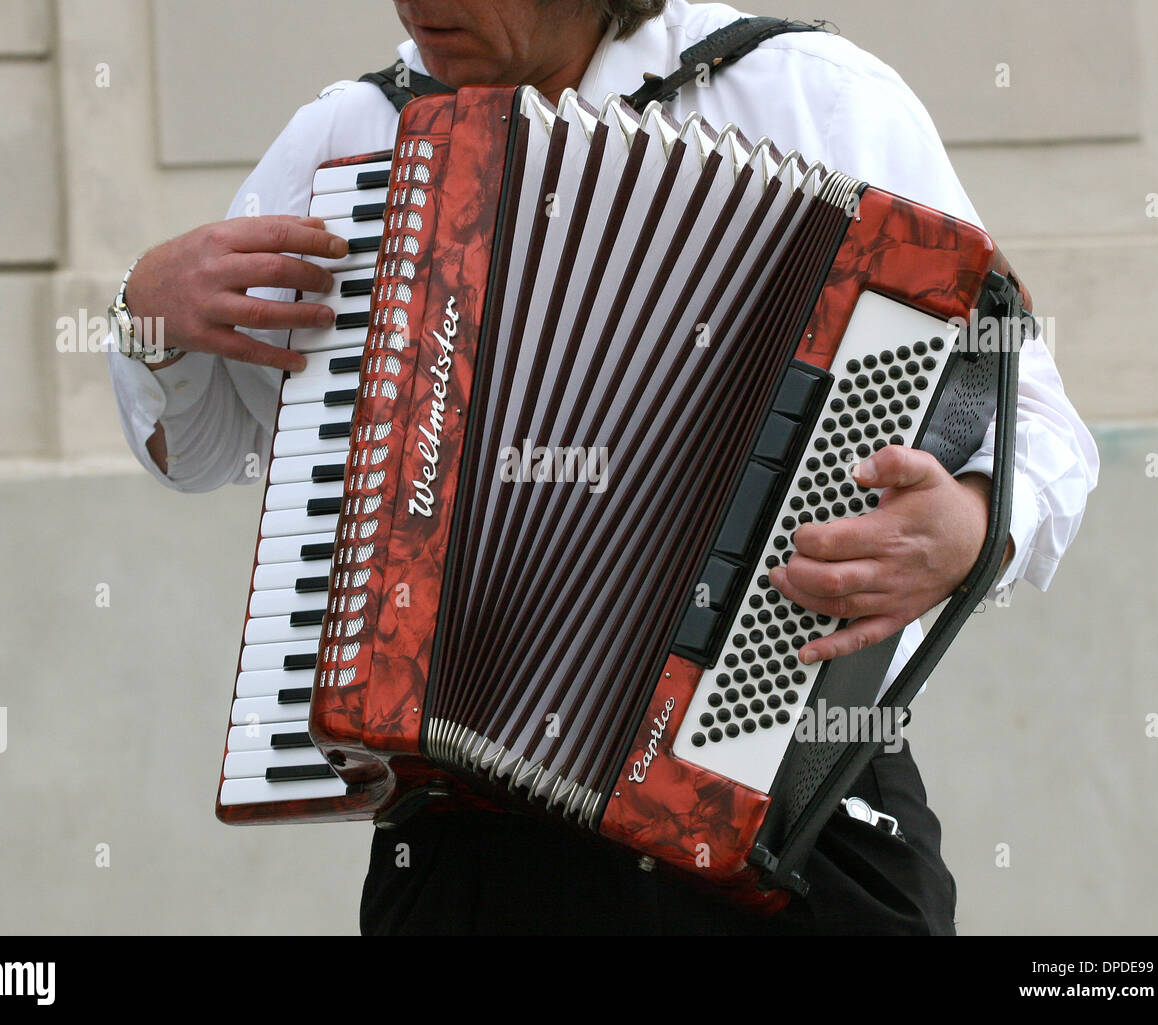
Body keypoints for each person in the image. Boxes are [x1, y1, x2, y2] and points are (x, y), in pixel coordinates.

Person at [107, 0, 1098, 934]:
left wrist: (972, 525)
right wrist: (146, 315)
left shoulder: (809, 93)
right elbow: (206, 451)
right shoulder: (354, 137)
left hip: (798, 819)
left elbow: (1036, 424)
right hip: (477, 855)